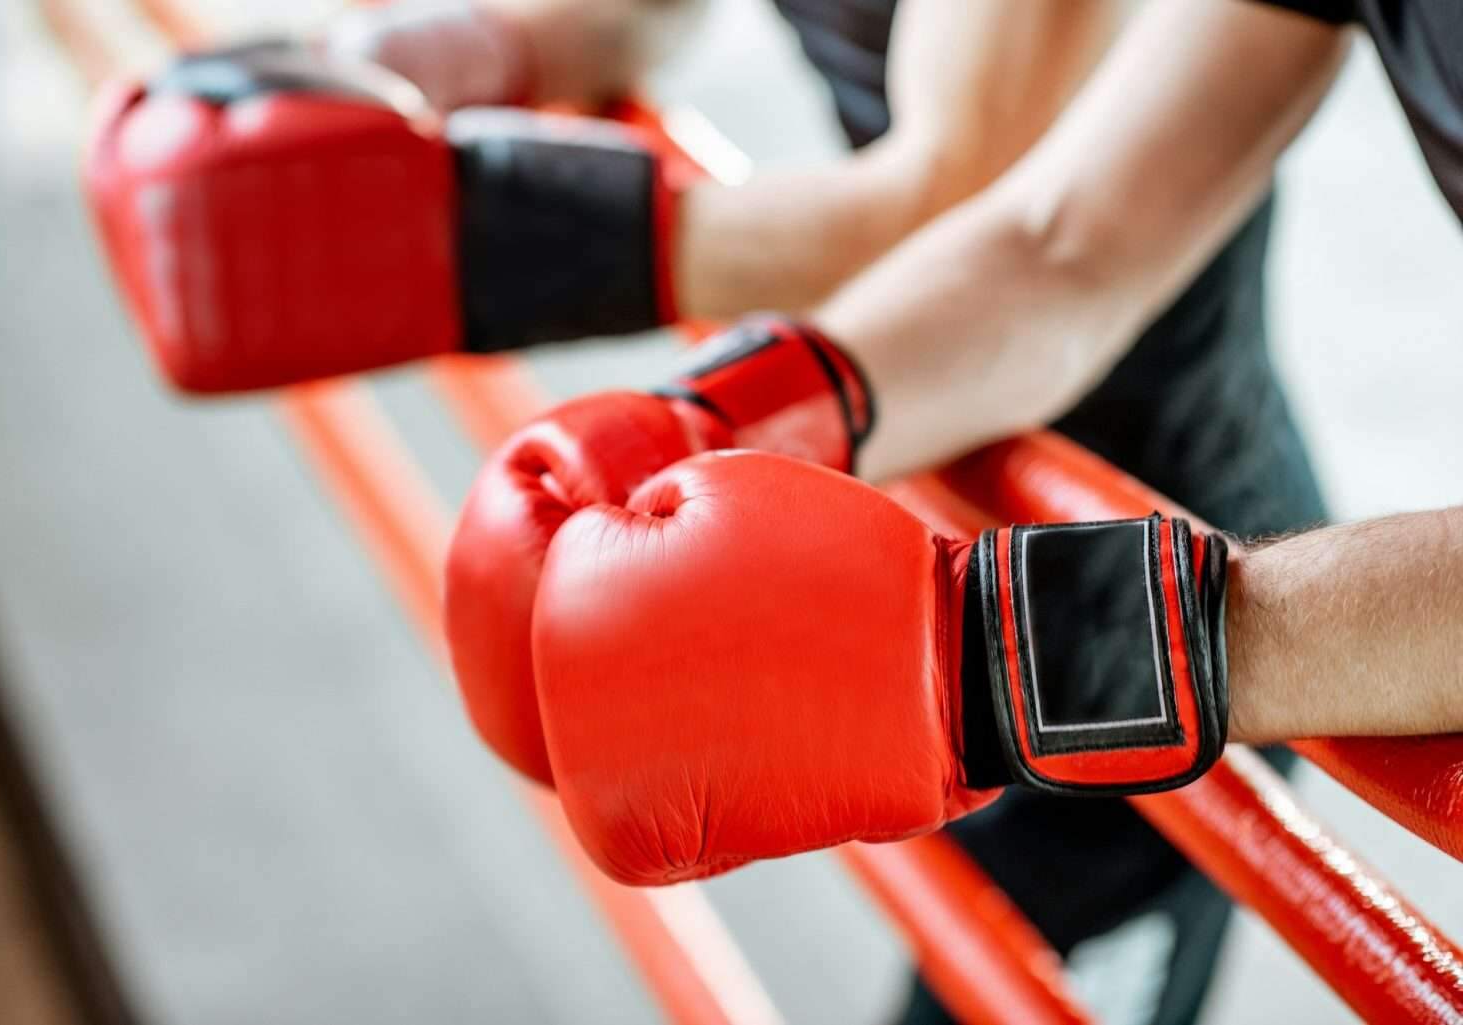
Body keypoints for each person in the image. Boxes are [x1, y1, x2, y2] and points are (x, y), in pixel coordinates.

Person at [81, 2, 1462, 1023]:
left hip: (1161, 533)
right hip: (1012, 500)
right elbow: (1060, 237)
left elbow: (956, 183)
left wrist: (1038, 651)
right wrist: (712, 416)